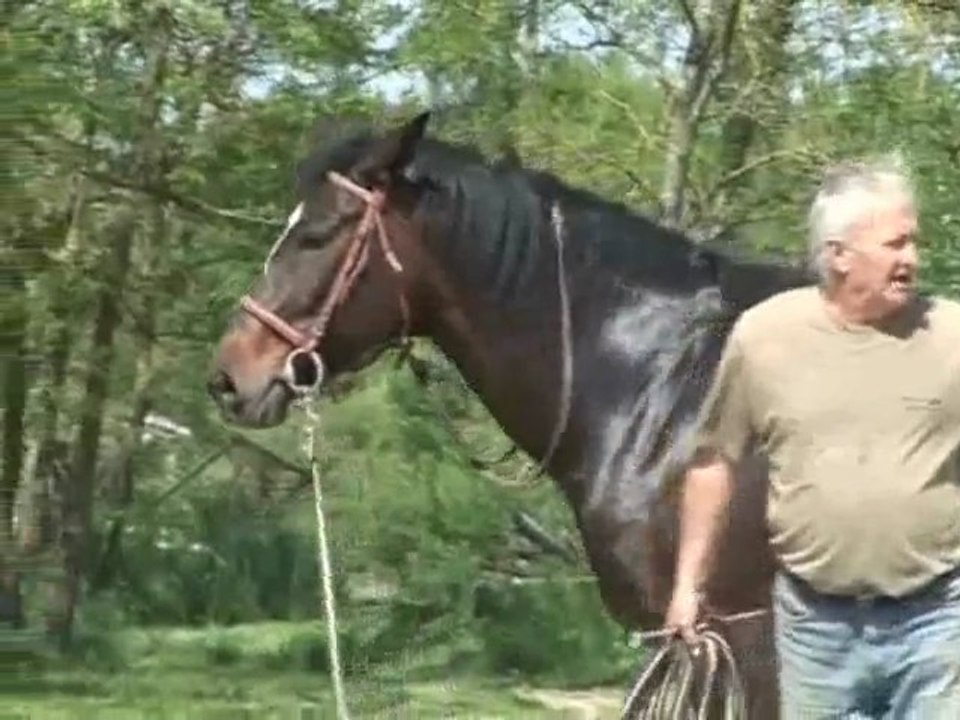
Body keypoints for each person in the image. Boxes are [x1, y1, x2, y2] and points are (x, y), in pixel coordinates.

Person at [665, 154, 960, 719]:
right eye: (896, 244)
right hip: (816, 630)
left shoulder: (948, 334)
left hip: (934, 619)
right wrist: (688, 587)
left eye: (913, 243)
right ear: (838, 256)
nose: (912, 259)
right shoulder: (766, 337)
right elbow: (714, 461)